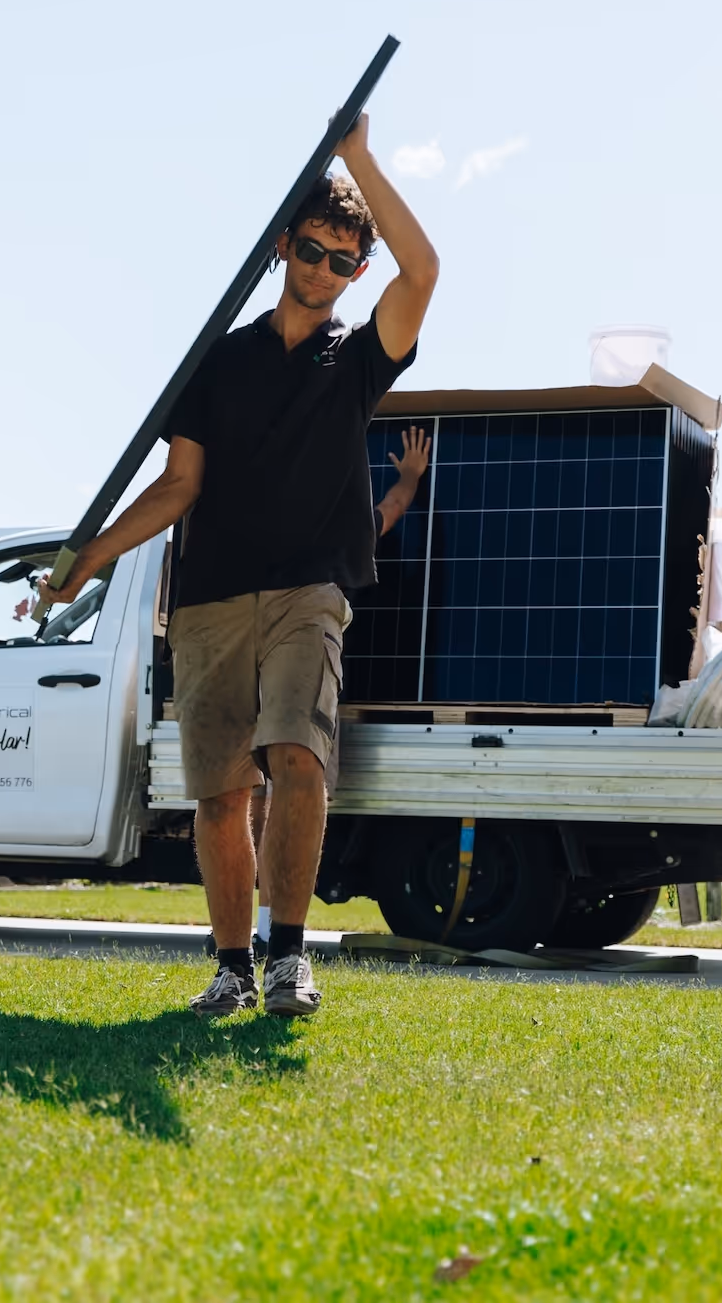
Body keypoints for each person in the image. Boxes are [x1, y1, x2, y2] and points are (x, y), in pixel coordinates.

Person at [41, 113, 438, 1016]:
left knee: (297, 756)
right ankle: (231, 964)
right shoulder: (216, 364)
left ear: (355, 276)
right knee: (222, 796)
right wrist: (87, 562)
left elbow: (426, 272)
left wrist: (358, 159)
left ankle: (289, 957)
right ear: (282, 250)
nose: (323, 272)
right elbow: (176, 485)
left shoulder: (359, 359)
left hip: (311, 591)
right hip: (211, 596)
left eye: (343, 262)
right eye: (310, 251)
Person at [249, 424, 430, 955]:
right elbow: (391, 509)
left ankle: (254, 924)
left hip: (253, 660)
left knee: (259, 794)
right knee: (294, 792)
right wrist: (413, 477)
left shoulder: (258, 532)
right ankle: (276, 933)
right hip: (305, 673)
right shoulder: (343, 535)